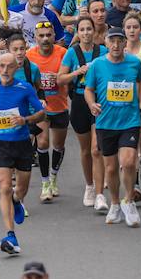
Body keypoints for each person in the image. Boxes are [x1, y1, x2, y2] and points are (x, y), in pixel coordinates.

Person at [0, 52, 45, 254]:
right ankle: (10, 235)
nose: (5, 70)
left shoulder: (25, 88)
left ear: (16, 68)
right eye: (1, 66)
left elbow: (41, 112)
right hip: (1, 144)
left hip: (22, 143)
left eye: (9, 66)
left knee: (20, 190)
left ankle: (17, 201)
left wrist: (26, 120)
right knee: (5, 187)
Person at [84, 24, 141, 227]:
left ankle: (129, 201)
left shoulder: (135, 63)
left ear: (125, 43)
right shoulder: (97, 65)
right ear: (106, 43)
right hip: (106, 122)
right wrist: (92, 103)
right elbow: (89, 89)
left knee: (128, 162)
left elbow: (139, 82)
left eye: (120, 41)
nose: (117, 45)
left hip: (129, 120)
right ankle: (115, 204)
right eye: (113, 41)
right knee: (110, 168)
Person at [58, 15, 103, 207]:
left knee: (96, 149)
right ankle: (90, 185)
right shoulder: (72, 53)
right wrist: (78, 72)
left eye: (89, 29)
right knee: (85, 150)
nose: (86, 33)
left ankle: (100, 193)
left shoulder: (103, 51)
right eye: (82, 29)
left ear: (94, 31)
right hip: (78, 101)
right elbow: (60, 79)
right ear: (78, 32)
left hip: (98, 101)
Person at [27, 21, 68, 201]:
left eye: (48, 35)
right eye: (41, 36)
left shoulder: (63, 53)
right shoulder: (29, 55)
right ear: (35, 38)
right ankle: (45, 184)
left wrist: (61, 79)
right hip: (41, 108)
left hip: (60, 105)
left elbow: (70, 76)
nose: (45, 39)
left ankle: (53, 177)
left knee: (58, 145)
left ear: (54, 36)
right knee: (42, 144)